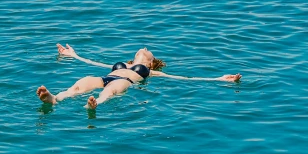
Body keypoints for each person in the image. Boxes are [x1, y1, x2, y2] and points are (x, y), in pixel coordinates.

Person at [37, 43, 241, 109]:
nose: (143, 48)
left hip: (124, 82)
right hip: (103, 77)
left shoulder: (151, 71)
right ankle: (54, 99)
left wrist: (219, 79)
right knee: (79, 85)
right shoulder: (122, 64)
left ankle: (94, 104)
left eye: (148, 51)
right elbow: (92, 62)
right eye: (142, 49)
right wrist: (73, 54)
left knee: (108, 92)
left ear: (151, 62)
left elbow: (184, 79)